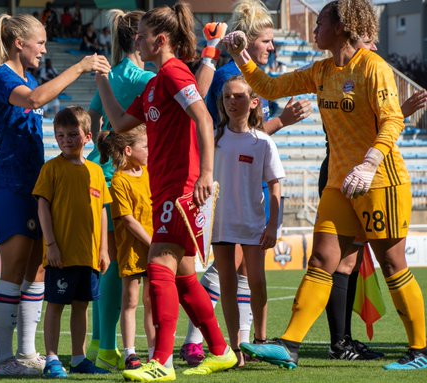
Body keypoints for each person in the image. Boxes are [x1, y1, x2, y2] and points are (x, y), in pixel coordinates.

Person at [224, 0, 427, 370]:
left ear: (342, 27)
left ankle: (420, 352)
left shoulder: (374, 68)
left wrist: (370, 162)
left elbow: (393, 121)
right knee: (321, 260)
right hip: (339, 184)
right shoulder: (320, 70)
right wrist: (241, 58)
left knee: (392, 263)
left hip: (381, 181)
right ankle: (289, 346)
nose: (315, 30)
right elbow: (269, 88)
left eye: (321, 23)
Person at [96, 3, 237, 381]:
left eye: (141, 35)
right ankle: (220, 350)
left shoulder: (173, 72)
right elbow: (120, 122)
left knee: (158, 264)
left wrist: (206, 173)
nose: (136, 41)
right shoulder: (157, 82)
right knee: (183, 276)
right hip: (165, 189)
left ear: (159, 40)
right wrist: (101, 81)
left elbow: (204, 117)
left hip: (182, 188)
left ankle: (162, 361)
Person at [182, 1, 313, 364]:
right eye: (266, 40)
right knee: (227, 271)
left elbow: (253, 137)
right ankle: (204, 339)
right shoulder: (230, 78)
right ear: (249, 39)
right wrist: (283, 120)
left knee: (239, 272)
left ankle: (243, 342)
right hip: (230, 190)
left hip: (247, 188)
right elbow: (234, 133)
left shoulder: (253, 78)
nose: (271, 47)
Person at [0, 12, 110, 376]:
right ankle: (3, 359)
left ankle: (26, 353)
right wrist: (81, 66)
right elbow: (36, 99)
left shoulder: (26, 76)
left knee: (37, 270)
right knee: (12, 270)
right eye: (40, 42)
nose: (43, 49)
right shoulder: (0, 77)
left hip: (33, 185)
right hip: (9, 185)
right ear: (19, 43)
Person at [322, 34, 427, 361]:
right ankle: (339, 342)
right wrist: (397, 114)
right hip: (346, 175)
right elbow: (356, 125)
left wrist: (398, 113)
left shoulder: (366, 73)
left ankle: (344, 342)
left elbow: (370, 126)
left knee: (349, 263)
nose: (376, 47)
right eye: (370, 40)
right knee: (341, 262)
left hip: (364, 175)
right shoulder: (344, 74)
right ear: (352, 39)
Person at [85, 9, 155, 372]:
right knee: (117, 267)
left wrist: (101, 146)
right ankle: (109, 347)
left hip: (103, 169)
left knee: (105, 262)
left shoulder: (111, 75)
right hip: (126, 176)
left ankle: (100, 342)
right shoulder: (148, 78)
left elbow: (95, 118)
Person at [33, 106, 112, 378]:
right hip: (61, 255)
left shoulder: (96, 171)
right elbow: (43, 206)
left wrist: (103, 249)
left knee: (82, 306)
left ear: (87, 136)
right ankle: (52, 358)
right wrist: (51, 244)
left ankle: (78, 358)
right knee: (55, 305)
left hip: (89, 255)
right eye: (60, 135)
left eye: (72, 134)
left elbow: (102, 210)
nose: (66, 139)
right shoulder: (51, 169)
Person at [212, 76, 284, 367]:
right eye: (227, 96)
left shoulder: (262, 142)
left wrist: (273, 225)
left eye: (239, 96)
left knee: (256, 281)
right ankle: (235, 349)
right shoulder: (215, 139)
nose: (232, 101)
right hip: (220, 223)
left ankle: (261, 340)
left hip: (253, 223)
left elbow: (276, 185)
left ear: (254, 102)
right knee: (227, 285)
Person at [96, 125, 154, 370]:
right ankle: (130, 352)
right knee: (130, 301)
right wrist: (153, 243)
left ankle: (154, 351)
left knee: (152, 302)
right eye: (145, 146)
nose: (149, 150)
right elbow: (128, 219)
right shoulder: (118, 180)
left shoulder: (150, 172)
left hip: (153, 247)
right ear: (128, 150)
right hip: (133, 249)